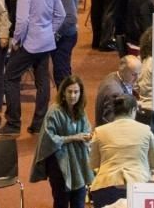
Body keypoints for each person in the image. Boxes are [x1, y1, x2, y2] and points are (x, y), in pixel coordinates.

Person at [2, 0, 65, 136]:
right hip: (46, 42)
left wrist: (15, 40)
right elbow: (60, 15)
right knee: (42, 82)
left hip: (30, 43)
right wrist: (49, 31)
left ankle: (13, 123)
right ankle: (38, 124)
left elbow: (21, 21)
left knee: (10, 77)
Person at [30, 75, 93, 208]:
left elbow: (87, 130)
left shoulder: (81, 111)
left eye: (76, 92)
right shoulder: (54, 111)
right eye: (69, 91)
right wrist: (73, 137)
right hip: (59, 163)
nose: (73, 95)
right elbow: (48, 138)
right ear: (63, 92)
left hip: (79, 163)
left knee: (79, 202)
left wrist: (88, 137)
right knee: (61, 202)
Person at [88, 95, 154, 207]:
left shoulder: (99, 131)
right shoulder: (146, 130)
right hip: (138, 188)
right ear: (133, 110)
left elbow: (93, 164)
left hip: (105, 188)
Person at [94, 56, 141, 126]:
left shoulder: (113, 75)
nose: (137, 78)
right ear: (123, 71)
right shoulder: (115, 93)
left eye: (139, 74)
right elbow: (110, 123)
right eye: (134, 74)